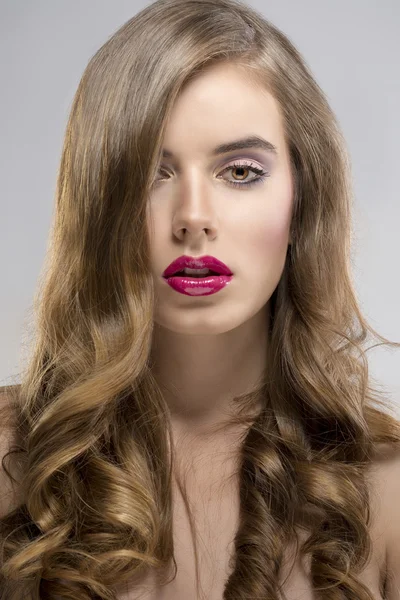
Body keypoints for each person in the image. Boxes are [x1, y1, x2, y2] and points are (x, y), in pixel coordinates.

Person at [1, 0, 400, 598]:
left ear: (303, 203)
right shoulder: (13, 462)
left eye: (239, 172)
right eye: (149, 174)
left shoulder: (387, 490)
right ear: (99, 205)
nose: (193, 218)